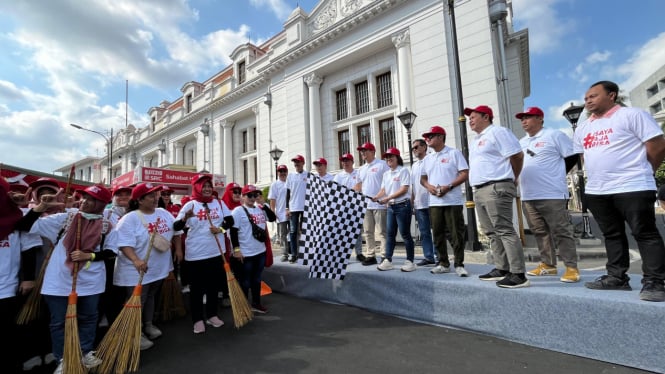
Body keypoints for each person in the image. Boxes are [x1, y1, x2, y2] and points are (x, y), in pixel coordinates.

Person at [573, 80, 665, 302]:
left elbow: (658, 145)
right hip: (598, 189)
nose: (588, 101)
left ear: (611, 95)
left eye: (593, 96)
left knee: (644, 233)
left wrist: (646, 170)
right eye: (586, 98)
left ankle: (655, 281)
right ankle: (616, 277)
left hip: (632, 185)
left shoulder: (632, 115)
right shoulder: (584, 127)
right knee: (611, 234)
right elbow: (584, 156)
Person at [18, 185, 118, 374]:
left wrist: (90, 256)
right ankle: (63, 358)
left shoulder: (108, 223)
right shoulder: (67, 218)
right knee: (59, 322)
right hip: (59, 280)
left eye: (92, 200)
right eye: (84, 198)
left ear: (101, 204)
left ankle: (85, 352)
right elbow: (26, 225)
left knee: (89, 318)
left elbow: (113, 251)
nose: (85, 202)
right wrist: (40, 207)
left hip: (91, 282)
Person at [466, 105, 529, 288]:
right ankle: (502, 268)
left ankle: (518, 273)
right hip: (479, 189)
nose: (470, 120)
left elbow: (517, 156)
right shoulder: (477, 140)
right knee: (491, 232)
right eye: (469, 118)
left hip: (496, 186)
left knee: (504, 229)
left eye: (473, 116)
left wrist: (513, 178)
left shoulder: (498, 132)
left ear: (486, 117)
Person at [114, 183, 182, 349]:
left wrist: (179, 249)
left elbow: (176, 230)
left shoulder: (163, 213)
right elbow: (123, 244)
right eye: (151, 196)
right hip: (136, 269)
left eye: (156, 195)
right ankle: (134, 334)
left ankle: (148, 325)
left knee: (150, 296)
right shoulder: (129, 219)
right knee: (137, 300)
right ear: (139, 200)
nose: (155, 198)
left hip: (158, 268)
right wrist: (136, 260)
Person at [516, 107, 580, 283]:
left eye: (528, 117)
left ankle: (571, 267)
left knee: (561, 231)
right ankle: (548, 265)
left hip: (551, 193)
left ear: (540, 118)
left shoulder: (554, 135)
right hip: (528, 195)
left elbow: (573, 156)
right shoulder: (521, 142)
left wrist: (558, 173)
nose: (524, 121)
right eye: (522, 118)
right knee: (539, 232)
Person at [174, 175, 232, 334]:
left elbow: (230, 221)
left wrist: (220, 229)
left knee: (214, 286)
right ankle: (197, 319)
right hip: (196, 254)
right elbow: (176, 226)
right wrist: (185, 218)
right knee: (197, 289)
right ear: (197, 187)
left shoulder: (219, 203)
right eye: (203, 186)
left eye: (208, 186)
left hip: (215, 252)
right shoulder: (190, 205)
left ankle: (212, 314)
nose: (207, 189)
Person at [0, 178, 41, 373]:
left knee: (9, 334)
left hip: (7, 287)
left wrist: (28, 278)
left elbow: (28, 250)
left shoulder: (19, 218)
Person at [419, 126, 470, 276]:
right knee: (438, 234)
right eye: (426, 136)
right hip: (434, 202)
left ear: (441, 137)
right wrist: (429, 187)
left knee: (456, 233)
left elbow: (464, 173)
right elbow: (423, 179)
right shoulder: (428, 158)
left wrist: (449, 186)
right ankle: (443, 263)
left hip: (452, 201)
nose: (427, 139)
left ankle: (459, 264)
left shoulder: (454, 153)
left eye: (431, 136)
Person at [230, 185, 276, 313]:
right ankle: (244, 306)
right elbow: (233, 232)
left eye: (255, 195)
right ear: (243, 197)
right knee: (245, 282)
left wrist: (264, 204)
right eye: (249, 195)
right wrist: (237, 250)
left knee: (257, 279)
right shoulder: (238, 211)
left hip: (260, 251)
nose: (252, 198)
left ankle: (256, 303)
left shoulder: (260, 209)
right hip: (246, 253)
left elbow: (272, 218)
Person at [370, 148, 416, 272]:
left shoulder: (403, 171)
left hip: (402, 206)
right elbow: (383, 190)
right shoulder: (386, 174)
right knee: (390, 235)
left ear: (397, 158)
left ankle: (410, 261)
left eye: (391, 156)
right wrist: (377, 197)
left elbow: (404, 189)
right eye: (387, 157)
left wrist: (387, 198)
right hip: (390, 207)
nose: (389, 159)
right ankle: (388, 260)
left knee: (405, 234)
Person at [353, 142, 389, 266]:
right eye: (361, 151)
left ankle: (384, 255)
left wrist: (384, 197)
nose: (363, 153)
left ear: (373, 151)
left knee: (382, 232)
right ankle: (371, 255)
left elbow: (388, 182)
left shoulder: (382, 164)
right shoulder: (361, 169)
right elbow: (358, 186)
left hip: (380, 204)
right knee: (368, 232)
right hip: (366, 205)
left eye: (365, 150)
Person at [333, 153, 364, 261]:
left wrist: (347, 191)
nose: (345, 163)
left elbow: (360, 187)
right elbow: (336, 192)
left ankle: (359, 253)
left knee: (358, 232)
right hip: (343, 207)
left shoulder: (358, 173)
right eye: (343, 161)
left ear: (352, 162)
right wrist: (351, 190)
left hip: (356, 206)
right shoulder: (338, 176)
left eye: (347, 161)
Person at [411, 138, 436, 267]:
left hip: (433, 201)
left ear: (424, 147)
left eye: (416, 147)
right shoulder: (414, 166)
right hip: (419, 203)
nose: (414, 150)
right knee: (424, 231)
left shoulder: (431, 159)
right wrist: (412, 203)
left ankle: (439, 256)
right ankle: (428, 257)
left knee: (436, 230)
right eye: (412, 148)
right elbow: (413, 186)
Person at [286, 155, 308, 263]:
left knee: (305, 231)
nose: (296, 164)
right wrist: (287, 208)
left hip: (305, 208)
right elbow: (288, 193)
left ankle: (304, 253)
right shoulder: (290, 176)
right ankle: (294, 254)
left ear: (303, 163)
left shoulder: (308, 175)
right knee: (293, 231)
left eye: (298, 162)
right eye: (295, 162)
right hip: (293, 208)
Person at [268, 165, 290, 262]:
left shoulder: (291, 182)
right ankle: (284, 253)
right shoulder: (275, 185)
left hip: (292, 213)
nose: (282, 173)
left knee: (295, 233)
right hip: (281, 214)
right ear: (277, 173)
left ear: (287, 172)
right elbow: (272, 199)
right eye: (280, 171)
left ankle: (295, 253)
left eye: (284, 171)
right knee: (282, 235)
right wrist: (273, 212)